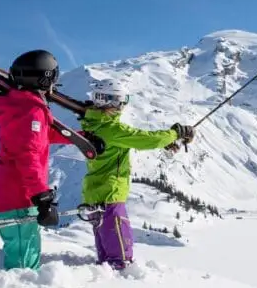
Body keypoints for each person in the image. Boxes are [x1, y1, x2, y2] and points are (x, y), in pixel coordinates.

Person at [78, 79, 195, 270]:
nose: (123, 107)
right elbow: (146, 139)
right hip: (111, 195)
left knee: (105, 257)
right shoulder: (112, 129)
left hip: (94, 195)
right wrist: (175, 133)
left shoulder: (93, 125)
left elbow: (132, 140)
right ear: (113, 102)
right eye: (122, 101)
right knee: (120, 258)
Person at [0, 49, 71, 271]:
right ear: (43, 78)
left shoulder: (20, 106)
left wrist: (78, 138)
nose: (55, 82)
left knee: (27, 253)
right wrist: (41, 196)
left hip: (14, 199)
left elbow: (42, 135)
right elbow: (28, 154)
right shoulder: (31, 111)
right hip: (19, 201)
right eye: (53, 75)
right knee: (23, 266)